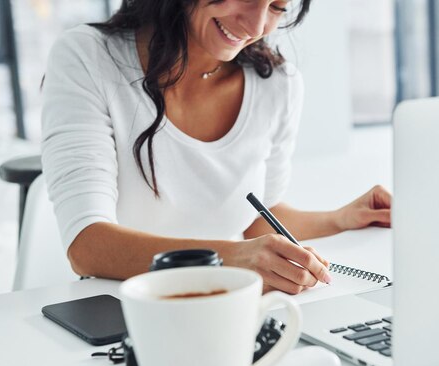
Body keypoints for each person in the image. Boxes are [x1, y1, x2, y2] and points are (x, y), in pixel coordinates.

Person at [41, 0, 391, 295]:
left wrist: (342, 218)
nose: (255, 25)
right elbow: (87, 245)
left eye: (277, 6)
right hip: (123, 310)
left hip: (229, 306)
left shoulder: (277, 86)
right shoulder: (87, 58)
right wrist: (229, 260)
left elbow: (258, 218)